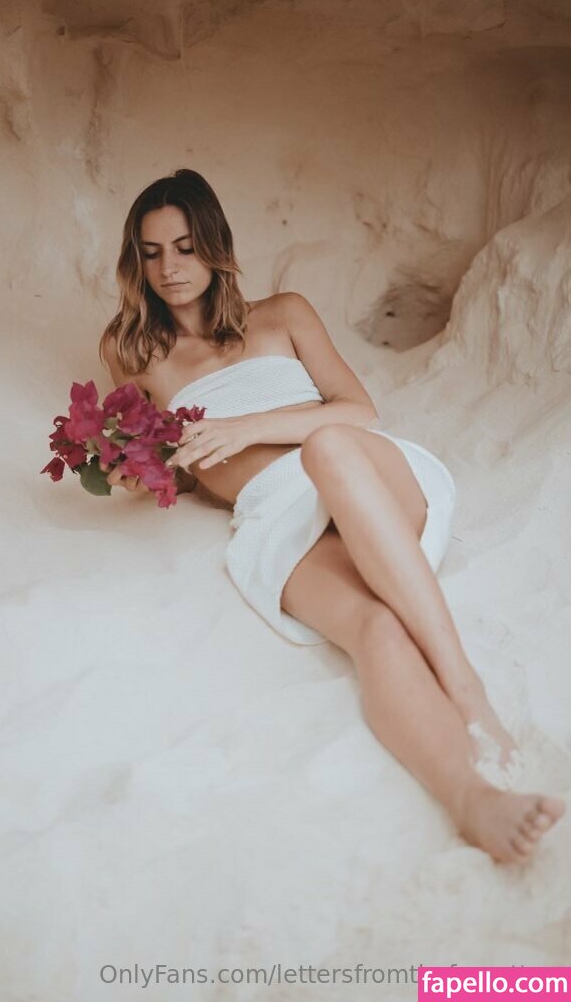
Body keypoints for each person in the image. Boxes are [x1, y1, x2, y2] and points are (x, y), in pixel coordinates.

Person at [98, 168, 565, 863]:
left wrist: (246, 427)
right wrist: (138, 472)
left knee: (329, 446)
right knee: (373, 627)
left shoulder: (282, 314)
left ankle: (467, 691)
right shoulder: (135, 354)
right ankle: (472, 799)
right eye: (152, 252)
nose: (170, 267)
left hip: (361, 473)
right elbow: (178, 465)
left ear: (215, 246)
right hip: (275, 516)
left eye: (186, 247)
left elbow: (358, 411)